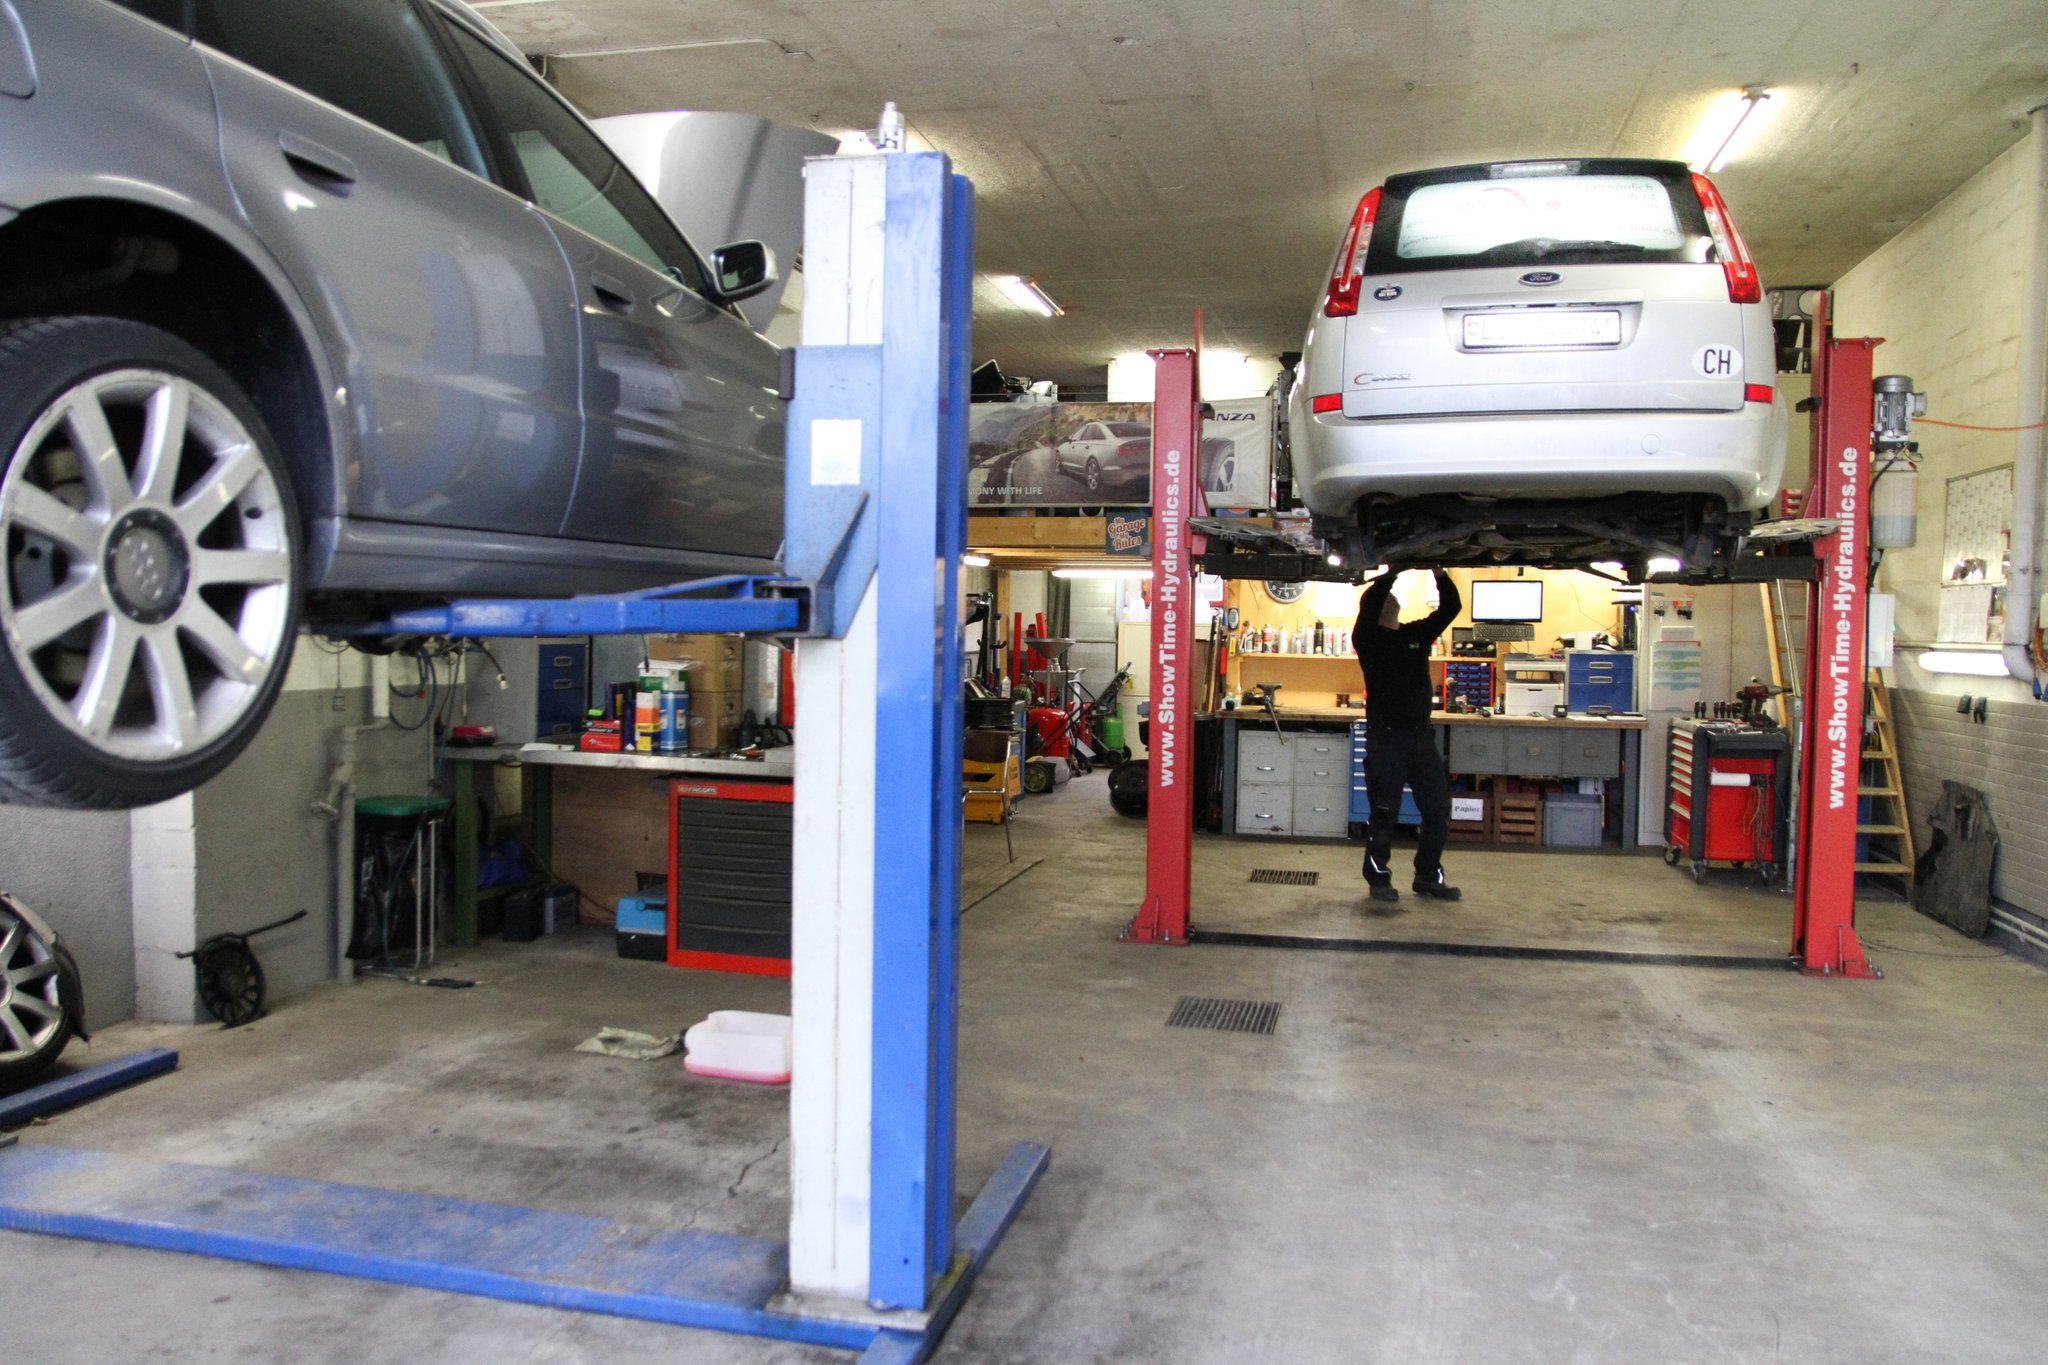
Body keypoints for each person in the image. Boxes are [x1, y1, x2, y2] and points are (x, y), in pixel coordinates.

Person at [1353, 568, 1462, 903]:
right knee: (1384, 811)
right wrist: (1392, 572)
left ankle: (1428, 876)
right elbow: (1372, 601)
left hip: (1420, 738)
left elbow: (1451, 608)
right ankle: (1378, 880)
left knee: (1437, 809)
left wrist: (1439, 574)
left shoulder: (1416, 635)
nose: (1390, 600)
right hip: (1387, 739)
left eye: (1392, 597)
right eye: (1385, 598)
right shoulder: (1368, 640)